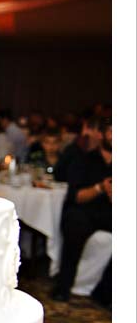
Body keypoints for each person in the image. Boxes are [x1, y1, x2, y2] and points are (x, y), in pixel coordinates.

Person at [51, 119, 112, 304]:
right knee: (75, 222)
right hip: (86, 211)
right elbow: (76, 196)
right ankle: (63, 286)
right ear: (102, 134)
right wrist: (101, 188)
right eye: (112, 132)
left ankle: (106, 293)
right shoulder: (84, 160)